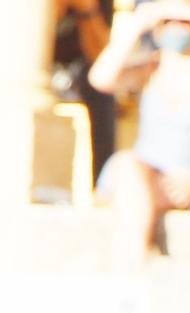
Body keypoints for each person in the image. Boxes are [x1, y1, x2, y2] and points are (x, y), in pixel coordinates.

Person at [87, 1, 190, 271]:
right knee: (127, 167)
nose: (177, 28)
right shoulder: (150, 69)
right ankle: (133, 267)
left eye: (184, 22)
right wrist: (137, 26)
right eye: (169, 22)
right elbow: (101, 79)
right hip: (144, 178)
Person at [51, 0, 117, 186]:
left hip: (81, 77)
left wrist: (87, 10)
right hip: (38, 70)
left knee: (100, 92)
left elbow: (101, 57)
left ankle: (99, 183)